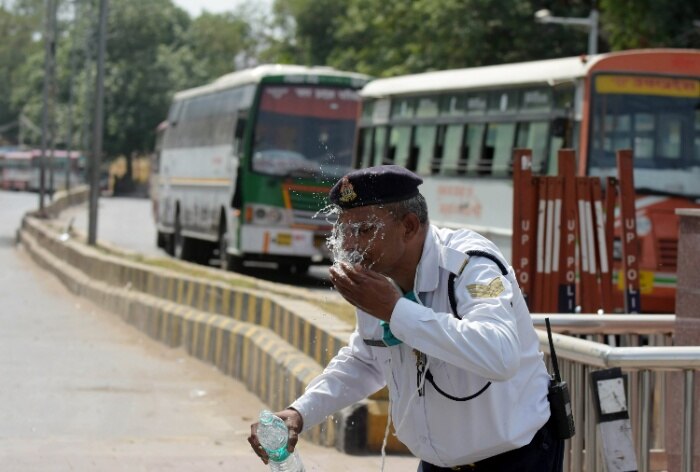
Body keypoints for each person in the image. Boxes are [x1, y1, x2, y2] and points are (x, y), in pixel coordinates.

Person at [249, 165, 564, 471]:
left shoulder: (469, 263)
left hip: (516, 460)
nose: (351, 245)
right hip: (437, 463)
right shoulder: (376, 275)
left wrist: (395, 311)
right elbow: (367, 360)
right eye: (344, 231)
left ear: (410, 226)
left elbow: (500, 354)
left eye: (365, 230)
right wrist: (299, 413)